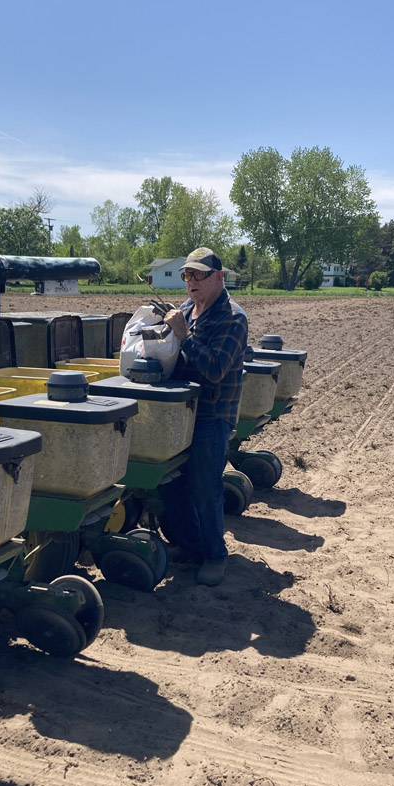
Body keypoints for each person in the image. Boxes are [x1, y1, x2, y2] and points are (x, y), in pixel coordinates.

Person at [161, 247, 248, 586]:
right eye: (187, 275)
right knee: (172, 482)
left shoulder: (232, 318)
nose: (190, 281)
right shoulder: (186, 310)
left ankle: (215, 555)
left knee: (205, 487)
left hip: (213, 413)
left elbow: (213, 369)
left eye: (198, 275)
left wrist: (183, 335)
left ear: (218, 277)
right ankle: (190, 545)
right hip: (183, 410)